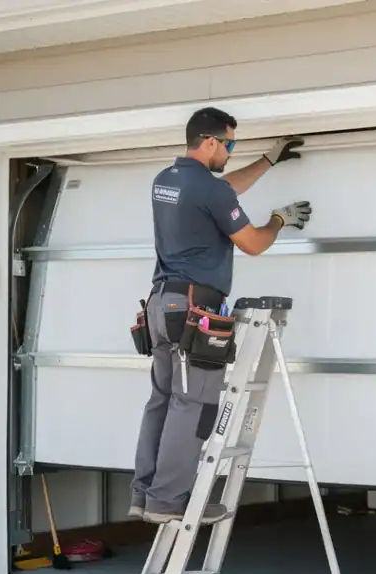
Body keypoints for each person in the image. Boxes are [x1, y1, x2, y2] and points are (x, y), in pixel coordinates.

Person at [129, 106, 312, 525]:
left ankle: (144, 495)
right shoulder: (209, 191)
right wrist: (278, 220)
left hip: (161, 305)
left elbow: (221, 190)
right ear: (209, 141)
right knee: (194, 405)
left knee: (162, 400)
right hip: (196, 310)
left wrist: (267, 161)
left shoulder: (167, 181)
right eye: (228, 144)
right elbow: (252, 243)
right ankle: (169, 501)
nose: (230, 151)